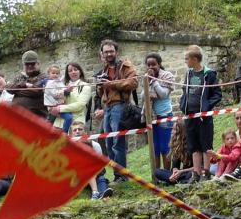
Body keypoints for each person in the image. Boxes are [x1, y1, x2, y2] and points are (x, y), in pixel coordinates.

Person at [92, 39, 138, 181]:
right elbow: (101, 93)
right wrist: (100, 85)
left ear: (116, 52)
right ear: (102, 54)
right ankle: (117, 175)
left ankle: (122, 176)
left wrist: (112, 84)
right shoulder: (104, 70)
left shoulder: (125, 65)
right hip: (108, 107)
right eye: (106, 52)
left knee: (118, 143)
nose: (109, 54)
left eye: (111, 51)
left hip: (120, 105)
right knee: (109, 143)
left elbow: (133, 82)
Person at [178, 45, 221, 179]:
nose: (185, 61)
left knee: (205, 143)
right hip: (190, 114)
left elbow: (217, 94)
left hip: (203, 116)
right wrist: (183, 103)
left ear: (195, 59)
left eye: (187, 58)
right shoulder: (189, 74)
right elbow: (185, 91)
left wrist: (206, 106)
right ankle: (196, 173)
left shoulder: (209, 74)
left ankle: (206, 172)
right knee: (193, 144)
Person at [143, 54, 176, 171]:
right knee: (155, 148)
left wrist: (154, 81)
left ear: (159, 64)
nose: (151, 67)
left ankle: (166, 174)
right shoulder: (146, 77)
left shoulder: (167, 76)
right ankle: (157, 174)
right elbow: (143, 96)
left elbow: (163, 94)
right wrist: (147, 82)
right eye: (148, 65)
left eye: (153, 64)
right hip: (151, 117)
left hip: (164, 116)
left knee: (165, 148)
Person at [54, 62, 93, 133]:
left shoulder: (85, 86)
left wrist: (60, 108)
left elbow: (80, 105)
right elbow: (55, 98)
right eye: (70, 71)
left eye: (75, 69)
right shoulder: (62, 86)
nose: (73, 72)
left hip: (77, 123)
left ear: (80, 71)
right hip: (59, 123)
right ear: (67, 73)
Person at [11, 50, 47, 118]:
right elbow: (9, 88)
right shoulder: (19, 77)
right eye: (27, 64)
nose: (30, 66)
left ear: (38, 63)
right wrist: (25, 85)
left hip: (35, 117)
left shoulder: (43, 77)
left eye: (32, 63)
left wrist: (17, 90)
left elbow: (36, 91)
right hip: (17, 116)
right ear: (23, 65)